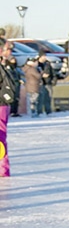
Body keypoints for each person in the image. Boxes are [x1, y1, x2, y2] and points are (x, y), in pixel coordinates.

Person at [0, 42, 17, 177]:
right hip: (3, 104)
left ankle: (3, 168)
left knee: (0, 136)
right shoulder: (5, 67)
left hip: (1, 104)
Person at [36, 51, 56, 115]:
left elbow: (53, 73)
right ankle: (39, 112)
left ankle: (48, 111)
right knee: (40, 99)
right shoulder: (37, 64)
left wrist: (54, 80)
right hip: (40, 84)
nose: (45, 58)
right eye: (43, 56)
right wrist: (42, 75)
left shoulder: (47, 64)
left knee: (48, 98)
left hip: (48, 83)